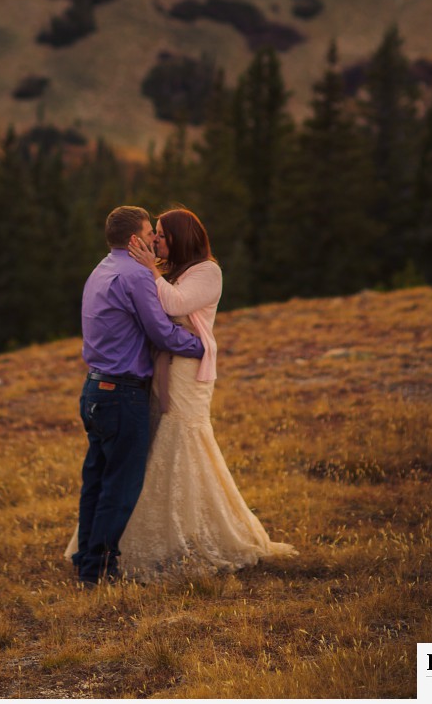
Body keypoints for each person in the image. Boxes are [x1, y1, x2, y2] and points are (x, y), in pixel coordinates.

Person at [115, 206, 296, 578]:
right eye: (156, 233)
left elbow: (175, 304)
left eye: (163, 234)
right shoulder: (171, 272)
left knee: (182, 437)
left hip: (187, 372)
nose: (156, 240)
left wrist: (149, 270)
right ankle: (157, 532)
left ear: (182, 237)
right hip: (164, 366)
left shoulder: (208, 271)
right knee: (159, 439)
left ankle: (192, 534)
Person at [70, 204, 205, 586]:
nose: (154, 241)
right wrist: (201, 347)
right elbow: (161, 332)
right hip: (122, 395)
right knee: (121, 485)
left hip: (94, 389)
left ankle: (86, 561)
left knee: (95, 480)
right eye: (150, 234)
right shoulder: (135, 275)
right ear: (134, 239)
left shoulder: (102, 269)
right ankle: (100, 571)